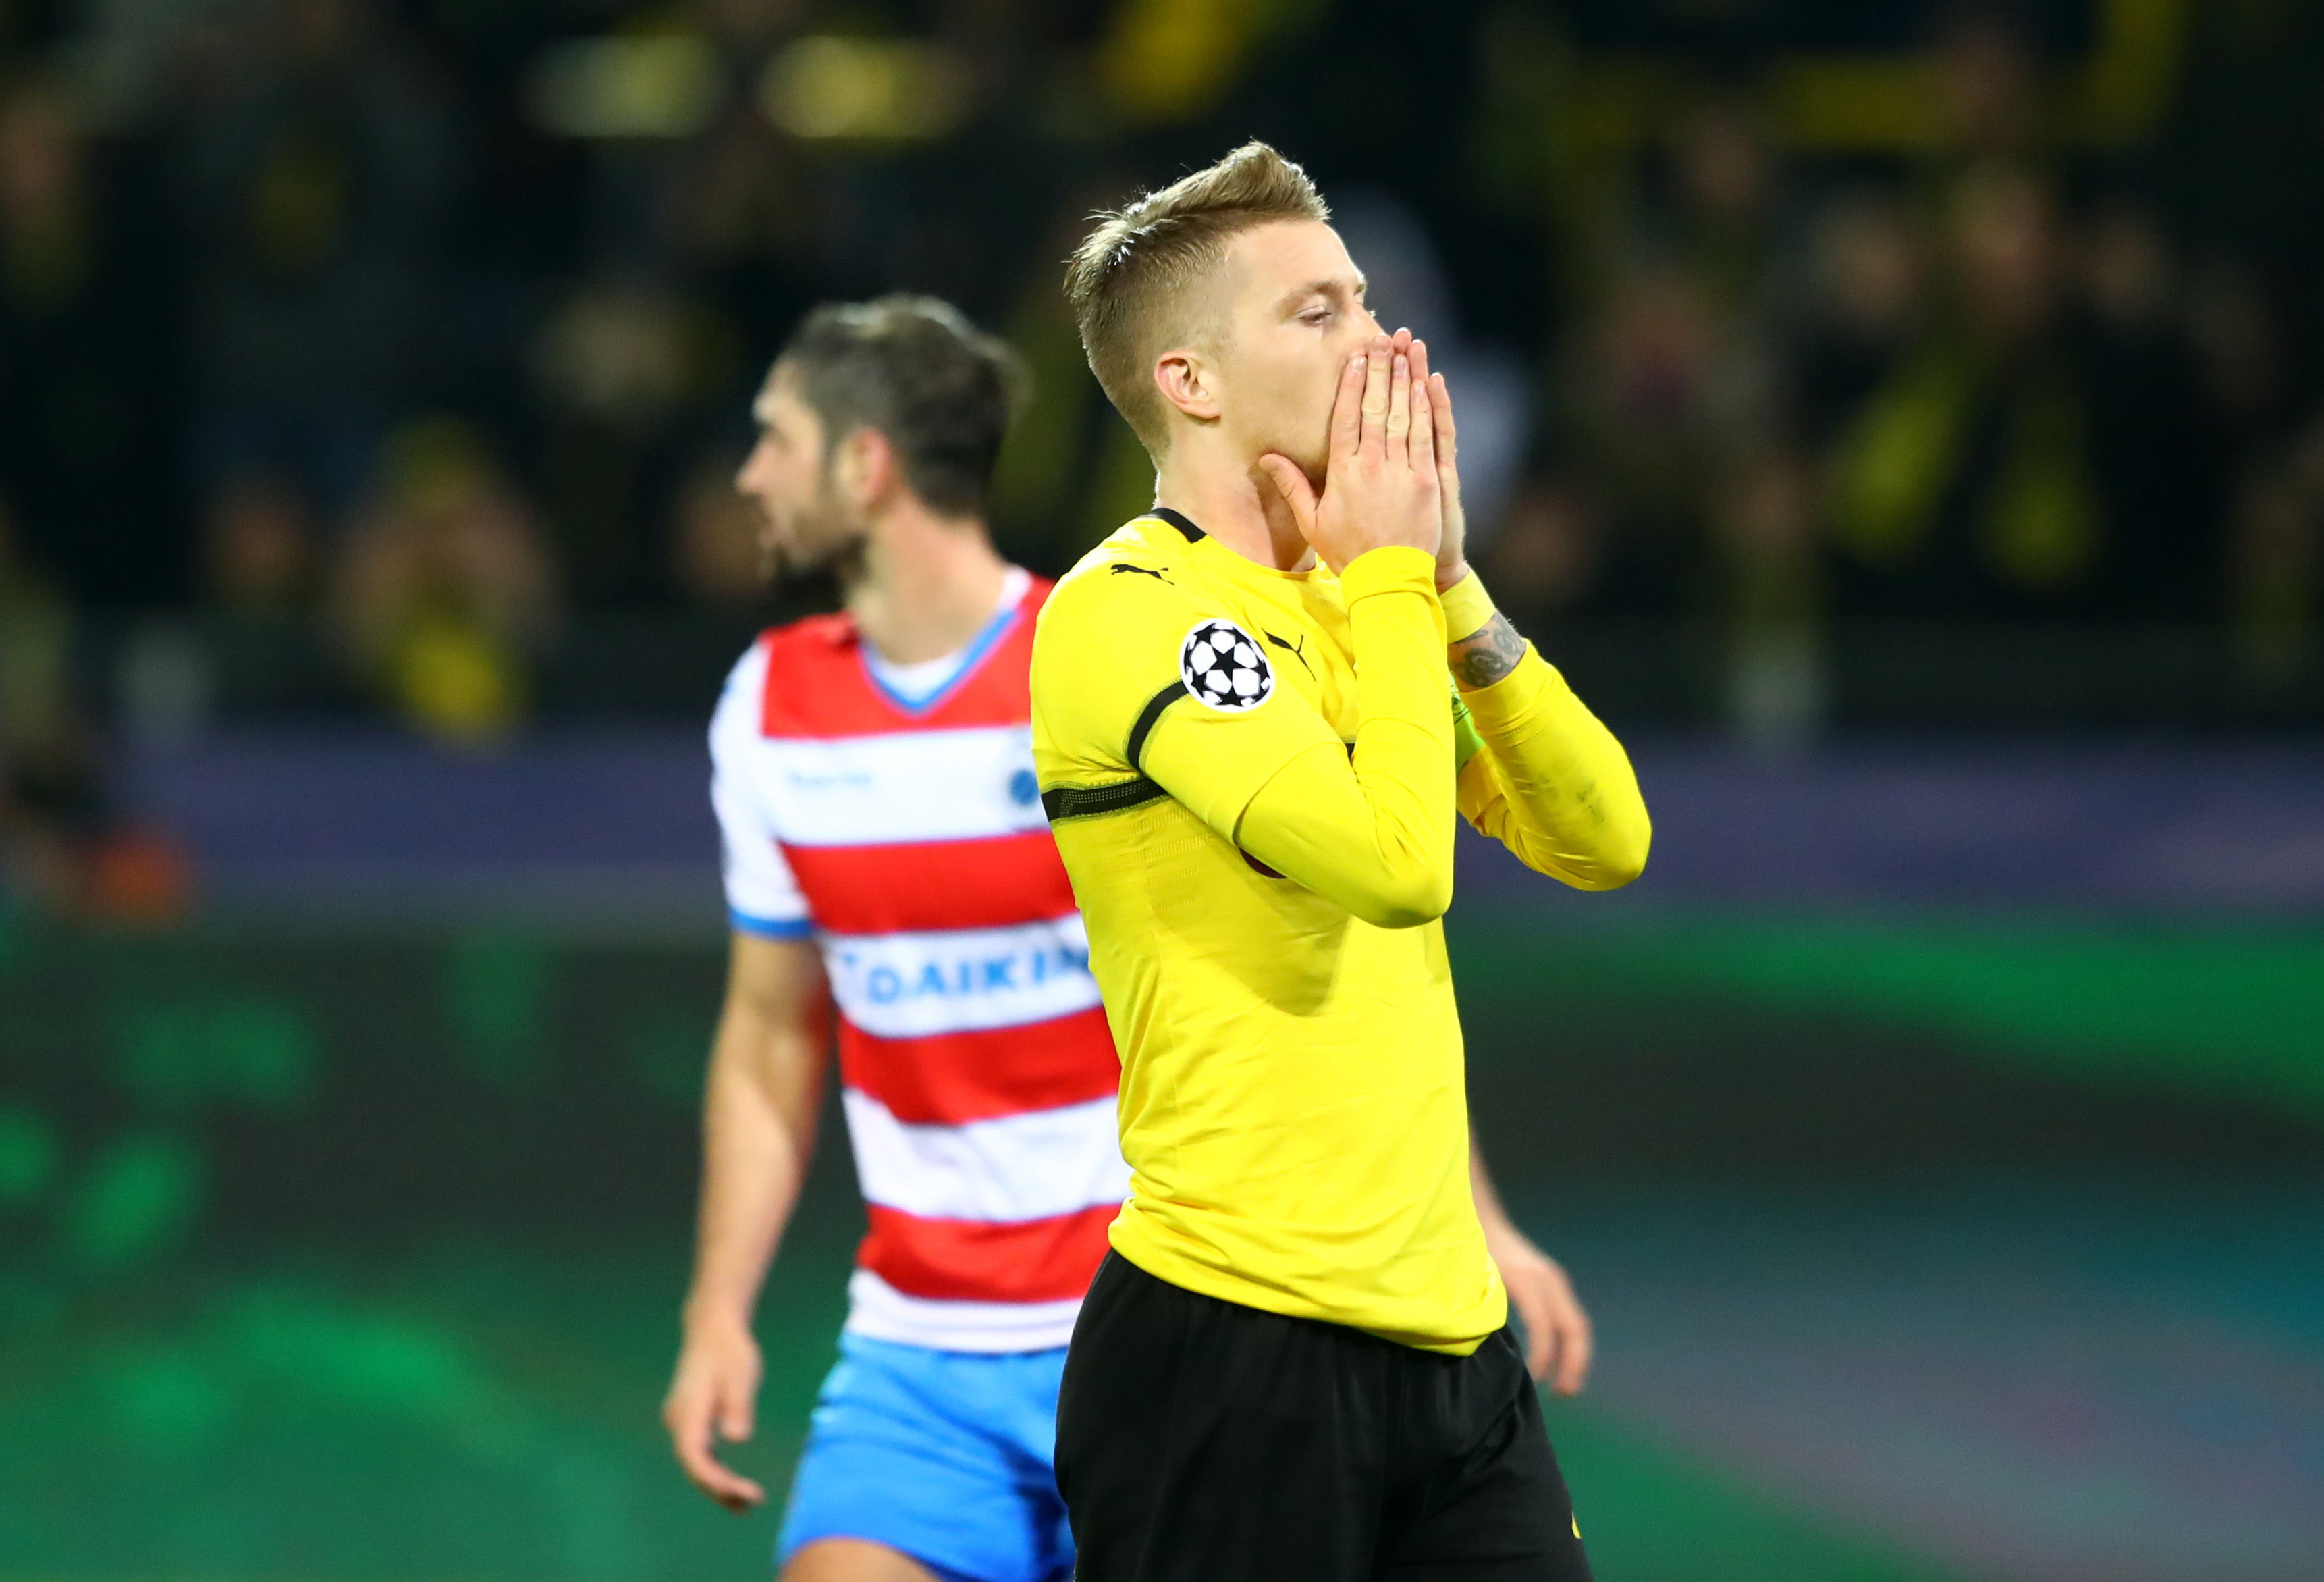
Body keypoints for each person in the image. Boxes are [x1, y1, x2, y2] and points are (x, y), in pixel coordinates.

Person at [1031, 143, 1650, 1579]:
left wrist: (1444, 580)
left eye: (1365, 302)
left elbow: (1606, 833)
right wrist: (1387, 573)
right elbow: (1395, 866)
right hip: (1232, 1341)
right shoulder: (1125, 611)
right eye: (1318, 314)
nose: (1380, 344)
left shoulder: (1371, 597)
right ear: (1191, 380)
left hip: (1455, 1341)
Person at [662, 297, 1126, 1582]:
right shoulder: (768, 705)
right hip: (919, 1354)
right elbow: (767, 1038)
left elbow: (1295, 969)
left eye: (772, 439)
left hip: (1149, 1328)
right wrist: (717, 1313)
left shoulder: (1091, 665)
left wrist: (1468, 1215)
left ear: (863, 468)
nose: (748, 475)